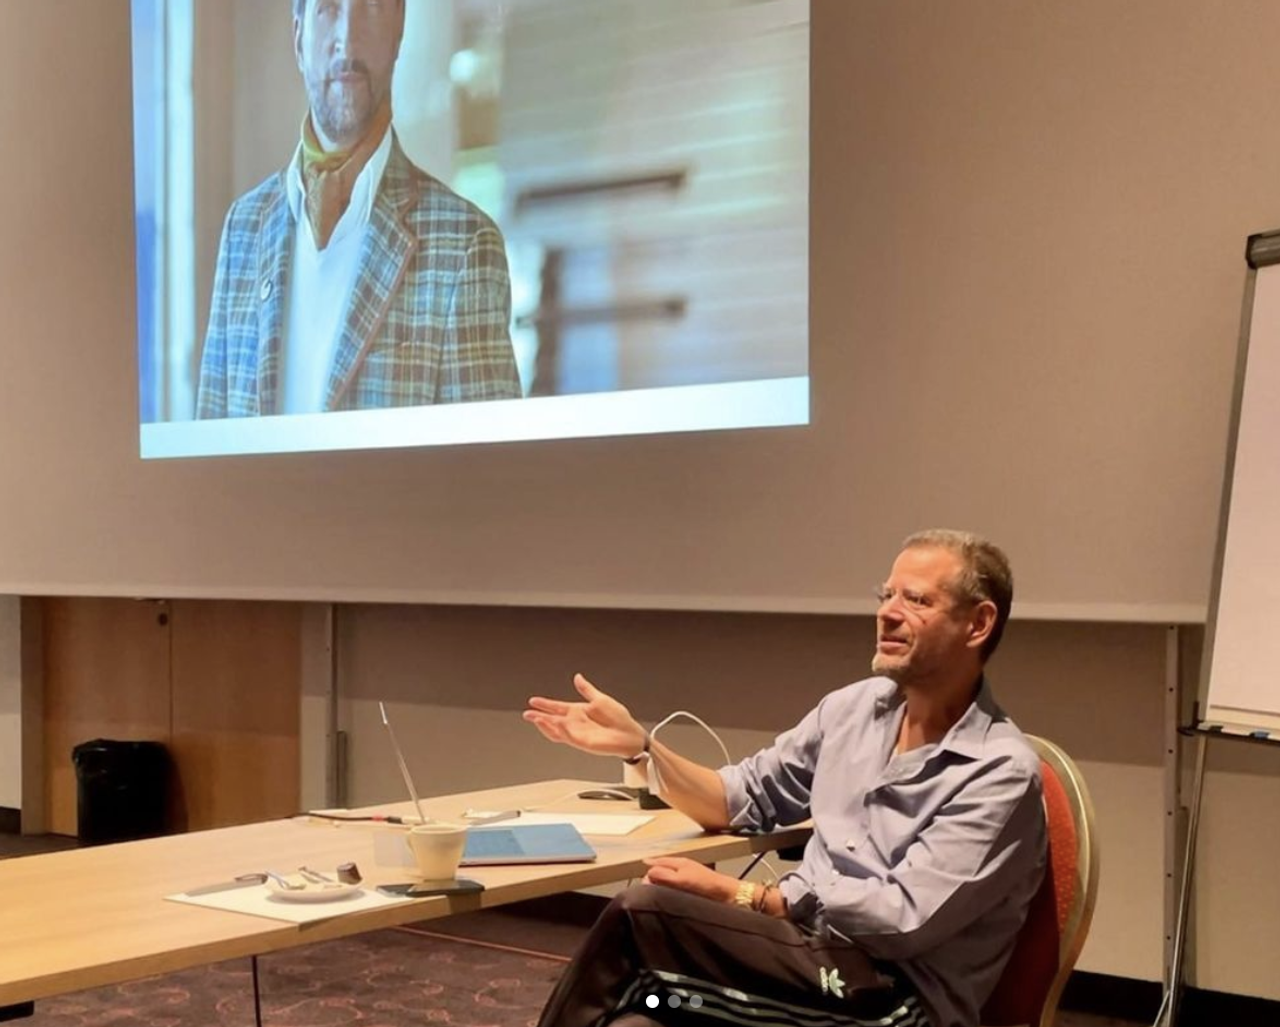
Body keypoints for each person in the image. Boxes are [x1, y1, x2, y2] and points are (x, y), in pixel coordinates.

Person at [523, 530, 1046, 1027]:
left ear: (978, 624)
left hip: (891, 999)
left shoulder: (999, 771)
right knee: (642, 1015)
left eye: (916, 600)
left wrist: (756, 899)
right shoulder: (853, 711)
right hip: (803, 956)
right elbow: (739, 798)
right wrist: (641, 746)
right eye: (886, 595)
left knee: (644, 916)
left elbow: (901, 921)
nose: (887, 612)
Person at [196, 0, 521, 419]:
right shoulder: (243, 229)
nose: (348, 39)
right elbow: (208, 455)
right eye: (328, 8)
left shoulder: (465, 245)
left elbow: (491, 472)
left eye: (370, 7)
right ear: (299, 38)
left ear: (398, 32)